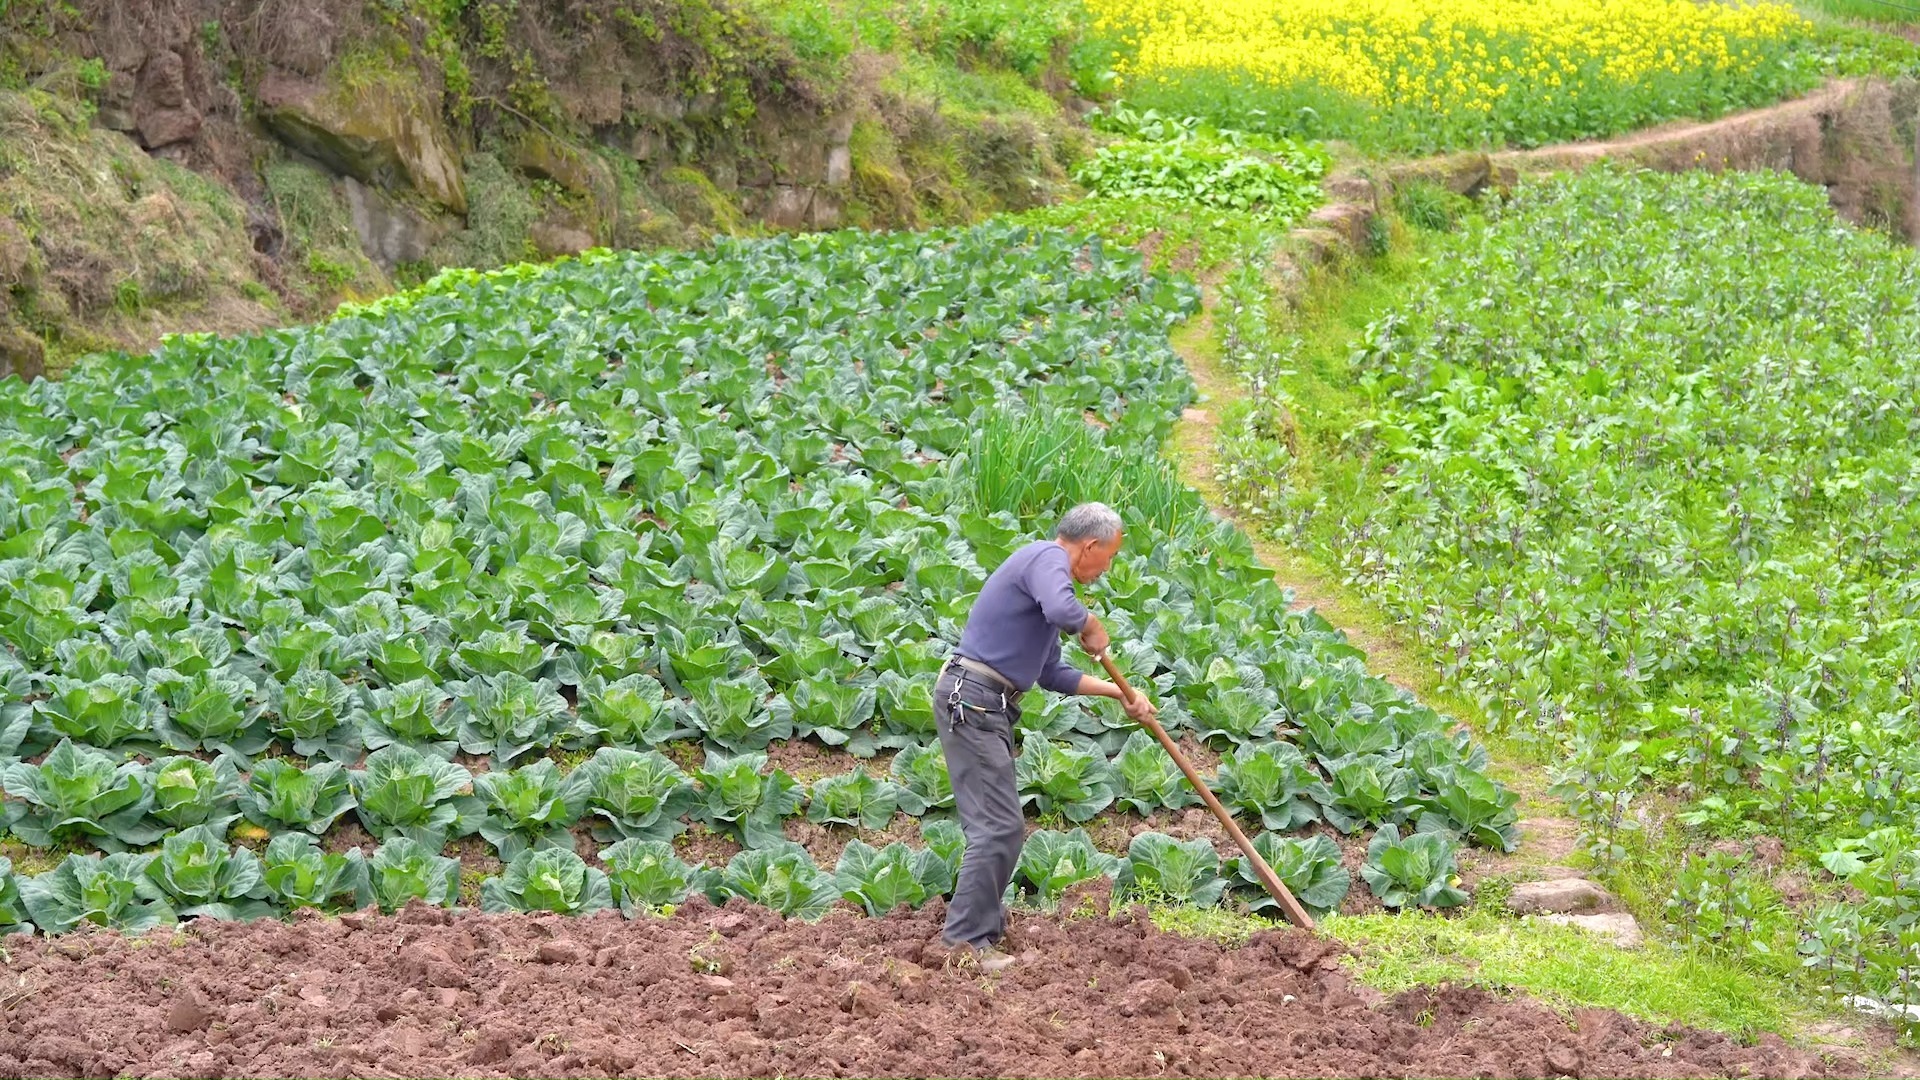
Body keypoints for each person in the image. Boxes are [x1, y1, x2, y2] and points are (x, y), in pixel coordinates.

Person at [933, 501, 1158, 970]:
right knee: (998, 827)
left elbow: (1052, 673)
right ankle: (963, 943)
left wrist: (1120, 693)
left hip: (984, 702)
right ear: (1090, 546)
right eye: (1110, 556)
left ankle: (980, 932)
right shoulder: (1046, 559)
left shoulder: (1043, 587)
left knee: (1001, 827)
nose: (1108, 567)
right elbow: (1064, 607)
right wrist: (1092, 625)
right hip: (973, 699)